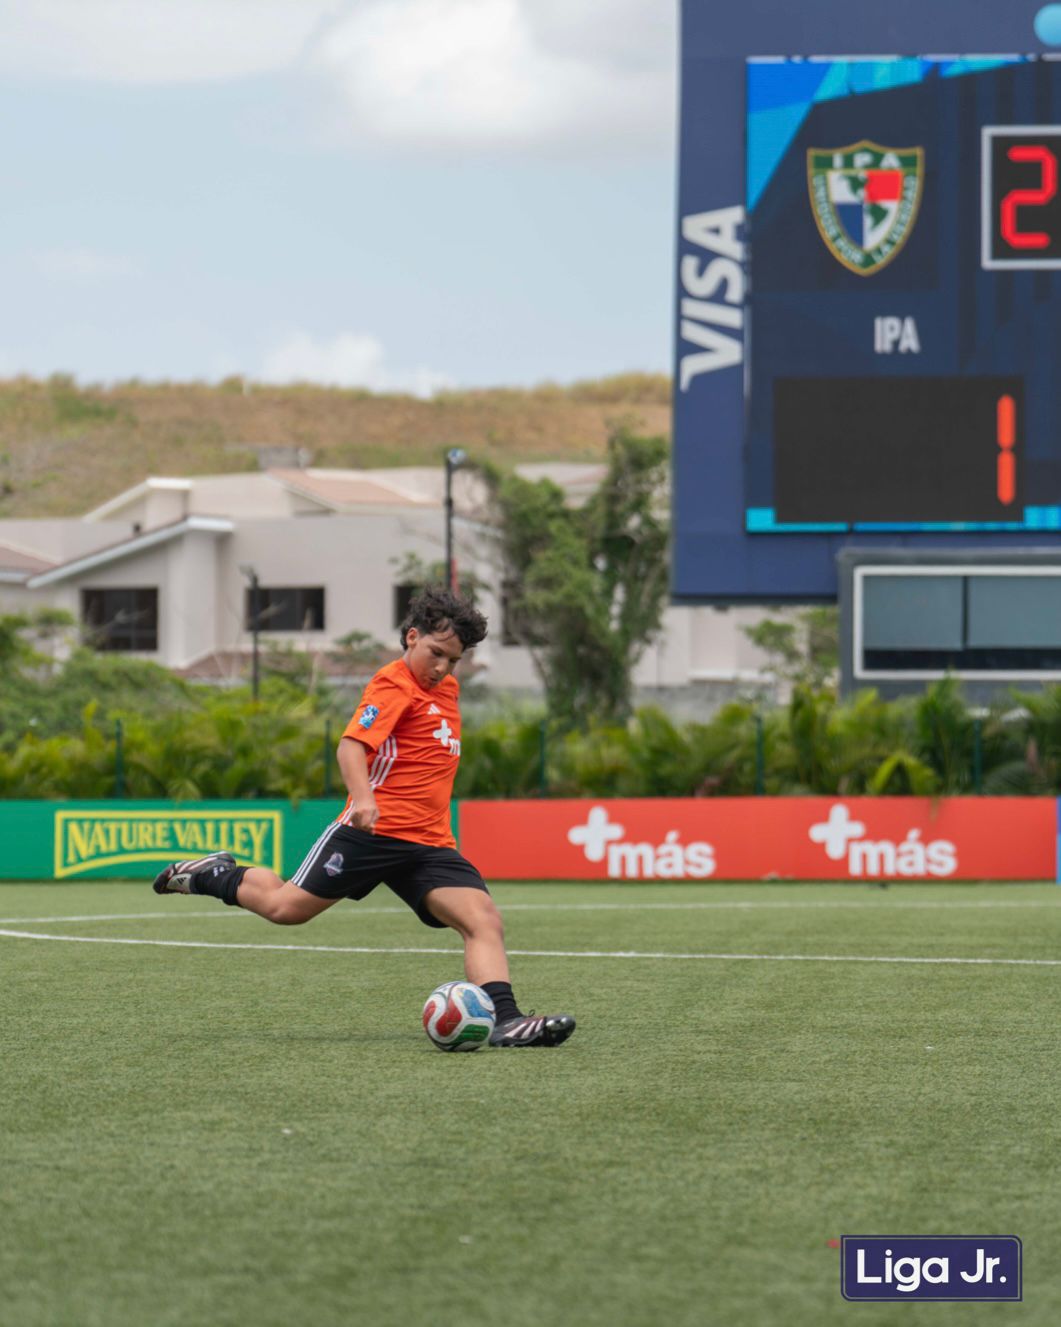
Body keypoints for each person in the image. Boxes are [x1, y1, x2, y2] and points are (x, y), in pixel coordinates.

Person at [151, 585, 576, 1048]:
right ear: (412, 636)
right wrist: (364, 798)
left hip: (430, 844)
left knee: (483, 920)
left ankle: (506, 1021)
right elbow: (351, 745)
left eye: (453, 660)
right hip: (373, 832)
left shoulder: (447, 689)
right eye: (436, 654)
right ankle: (212, 875)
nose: (442, 668)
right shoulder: (392, 684)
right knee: (285, 909)